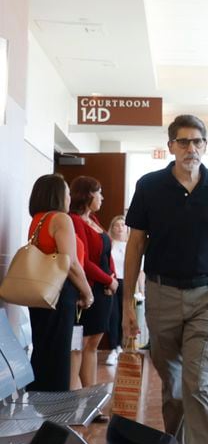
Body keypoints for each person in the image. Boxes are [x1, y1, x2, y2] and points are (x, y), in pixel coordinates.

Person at [123, 114, 208, 444]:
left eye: (198, 142)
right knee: (172, 386)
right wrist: (128, 301)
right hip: (160, 295)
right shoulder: (149, 186)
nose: (192, 148)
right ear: (171, 145)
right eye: (184, 142)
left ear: (206, 146)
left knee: (197, 380)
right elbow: (136, 244)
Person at [26, 174, 94, 392]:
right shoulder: (60, 219)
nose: (69, 198)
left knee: (43, 353)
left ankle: (40, 412)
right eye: (66, 192)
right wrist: (87, 292)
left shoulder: (38, 219)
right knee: (58, 358)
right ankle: (55, 416)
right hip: (59, 292)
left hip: (40, 292)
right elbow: (71, 262)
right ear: (58, 195)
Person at [69, 176, 117, 406]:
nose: (102, 198)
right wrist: (108, 279)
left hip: (104, 290)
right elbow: (84, 261)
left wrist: (112, 278)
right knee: (81, 344)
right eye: (99, 193)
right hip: (88, 290)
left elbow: (107, 253)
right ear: (87, 195)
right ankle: (80, 397)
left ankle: (91, 398)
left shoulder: (94, 219)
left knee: (93, 345)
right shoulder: (75, 221)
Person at [106, 214, 133, 365]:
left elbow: (139, 269)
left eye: (122, 225)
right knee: (113, 315)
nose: (120, 228)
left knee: (125, 315)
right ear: (112, 228)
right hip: (113, 282)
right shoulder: (109, 243)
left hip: (127, 282)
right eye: (116, 225)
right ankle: (113, 348)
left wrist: (140, 289)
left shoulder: (131, 245)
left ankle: (121, 346)